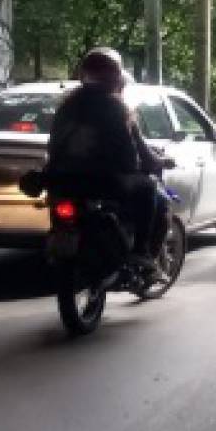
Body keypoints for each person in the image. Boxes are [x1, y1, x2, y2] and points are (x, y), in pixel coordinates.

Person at [44, 48, 170, 272]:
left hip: (63, 180)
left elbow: (53, 145)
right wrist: (155, 162)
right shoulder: (117, 108)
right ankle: (141, 252)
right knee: (151, 191)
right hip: (108, 182)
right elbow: (137, 153)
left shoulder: (66, 107)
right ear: (116, 78)